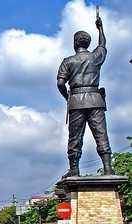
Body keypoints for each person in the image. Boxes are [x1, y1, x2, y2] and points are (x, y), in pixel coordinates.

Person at [57, 14, 113, 178]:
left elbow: (60, 83)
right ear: (88, 43)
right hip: (96, 100)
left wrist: (67, 97)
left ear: (75, 43)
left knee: (75, 137)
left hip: (76, 101)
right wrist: (100, 28)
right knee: (101, 135)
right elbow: (102, 44)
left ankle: (74, 169)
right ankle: (108, 168)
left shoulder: (68, 61)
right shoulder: (96, 57)